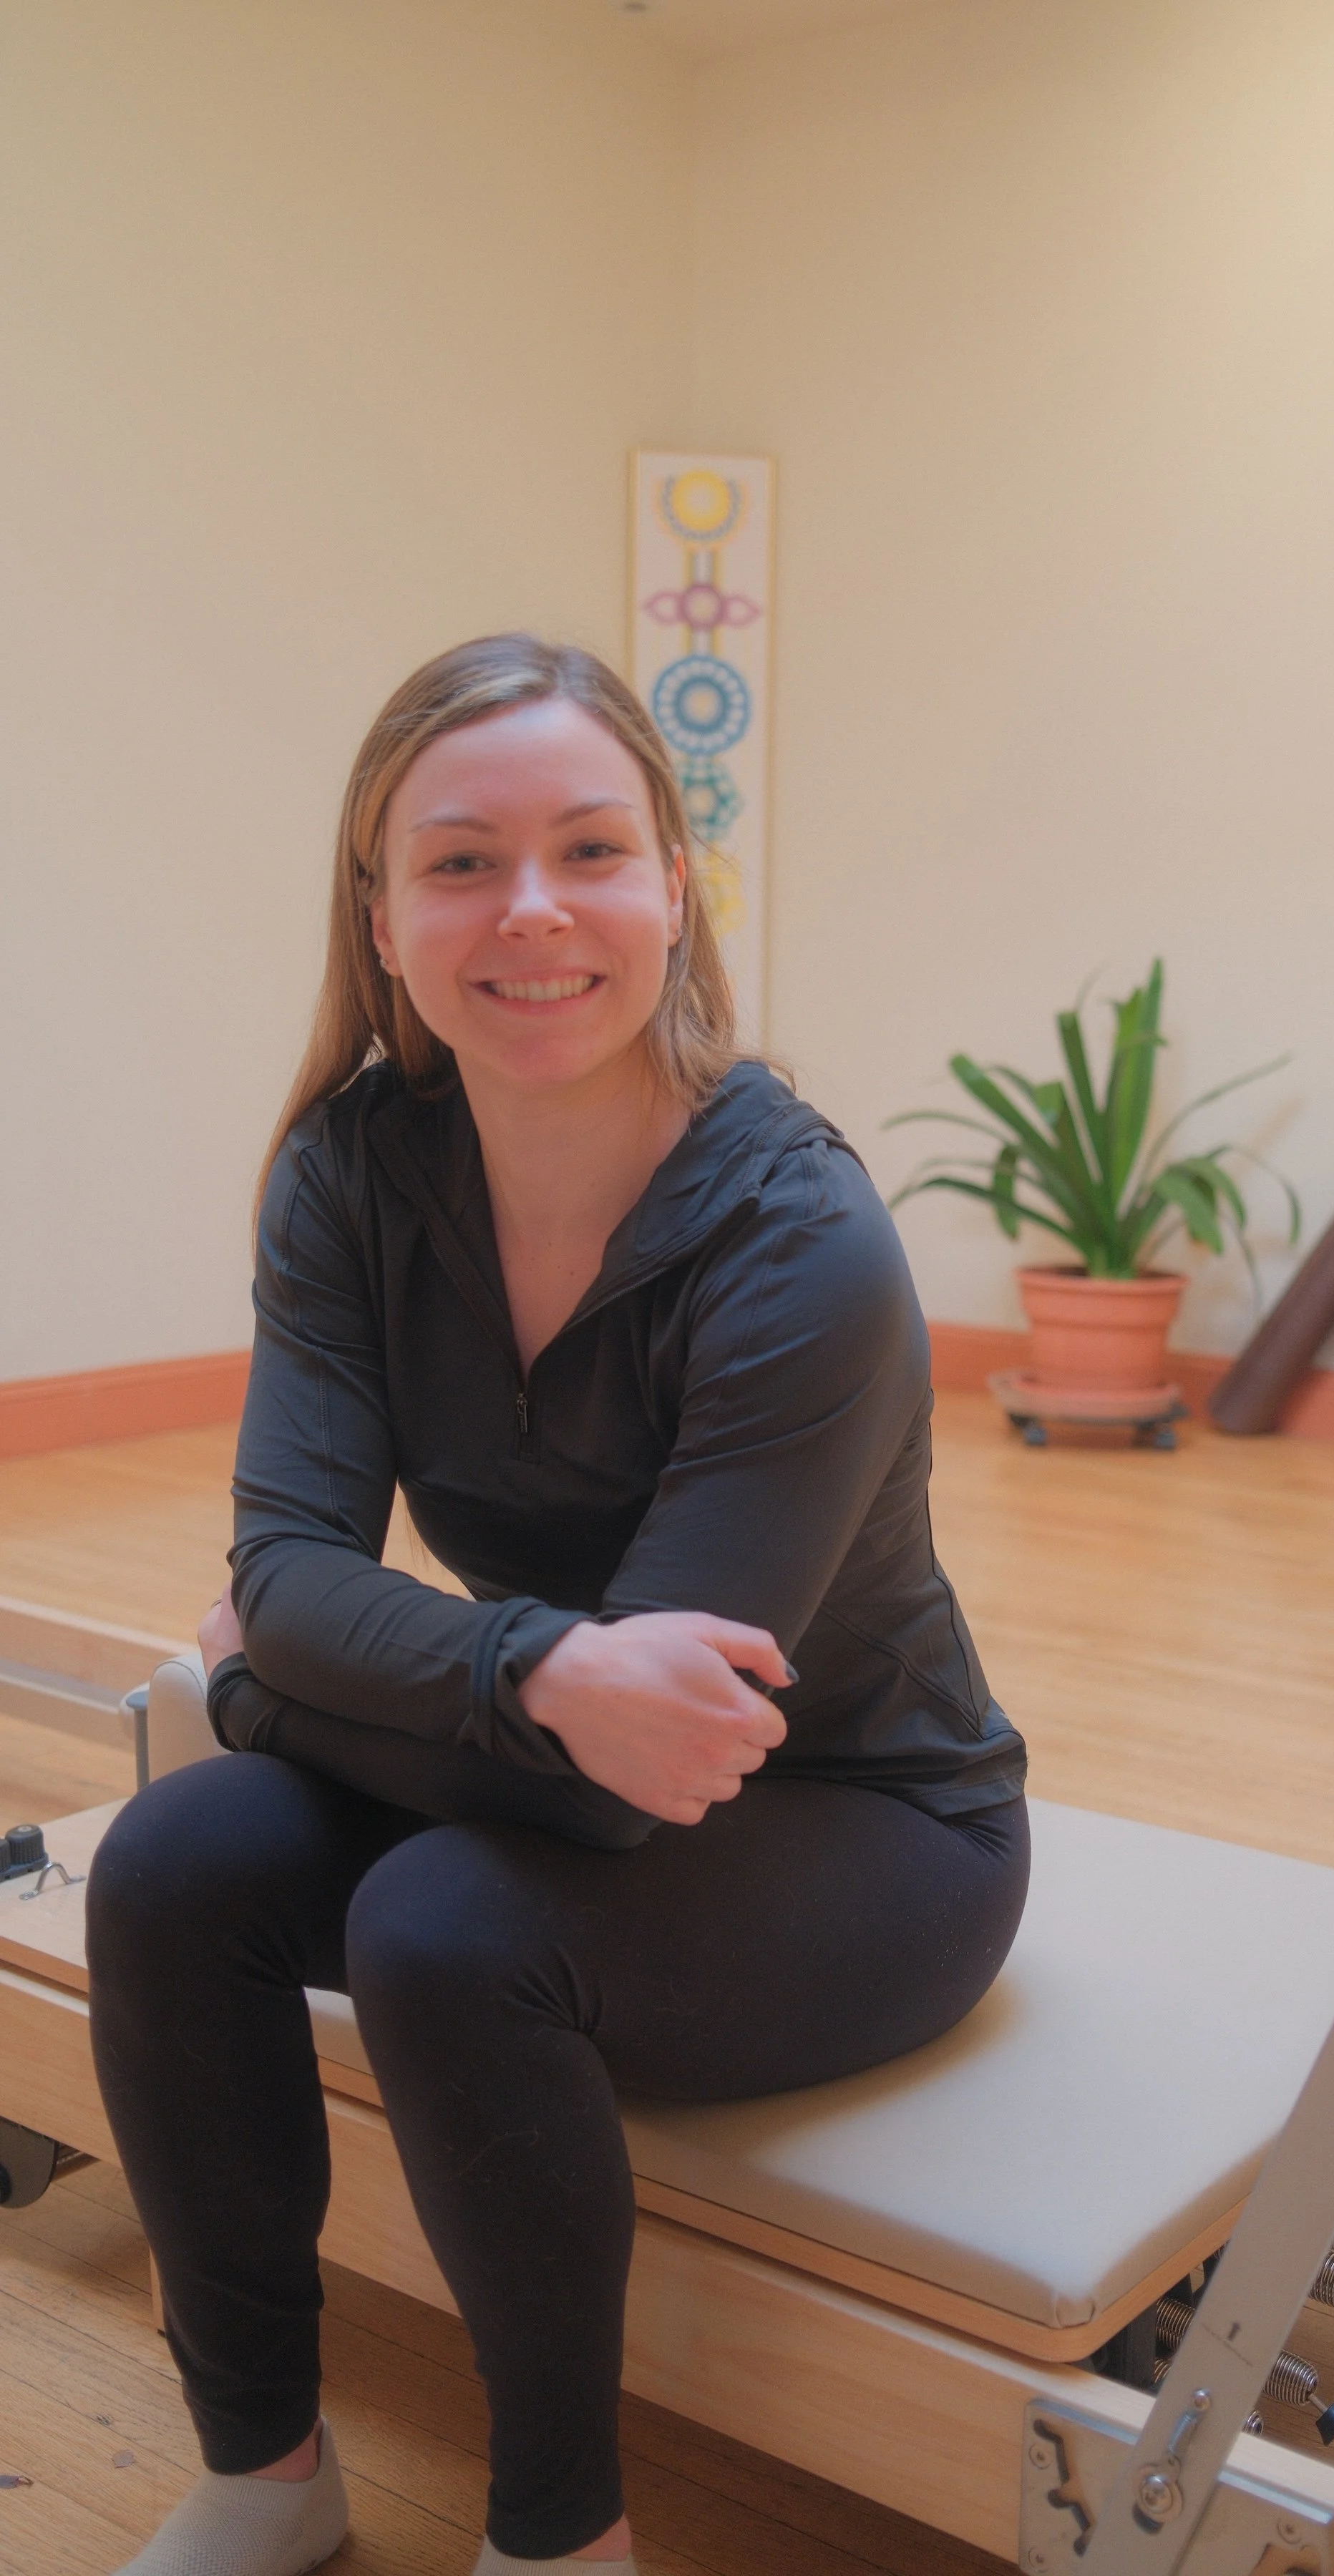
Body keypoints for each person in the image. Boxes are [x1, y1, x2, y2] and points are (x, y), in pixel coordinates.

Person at [84, 634, 1029, 2576]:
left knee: (444, 1926)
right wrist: (486, 1660)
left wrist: (273, 1682)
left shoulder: (801, 1241)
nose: (531, 912)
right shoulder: (352, 1175)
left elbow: (609, 1771)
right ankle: (262, 2475)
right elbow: (291, 1567)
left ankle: (558, 2538)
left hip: (863, 1820)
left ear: (673, 890)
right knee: (171, 1864)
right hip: (540, 1739)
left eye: (591, 849)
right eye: (459, 862)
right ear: (380, 910)